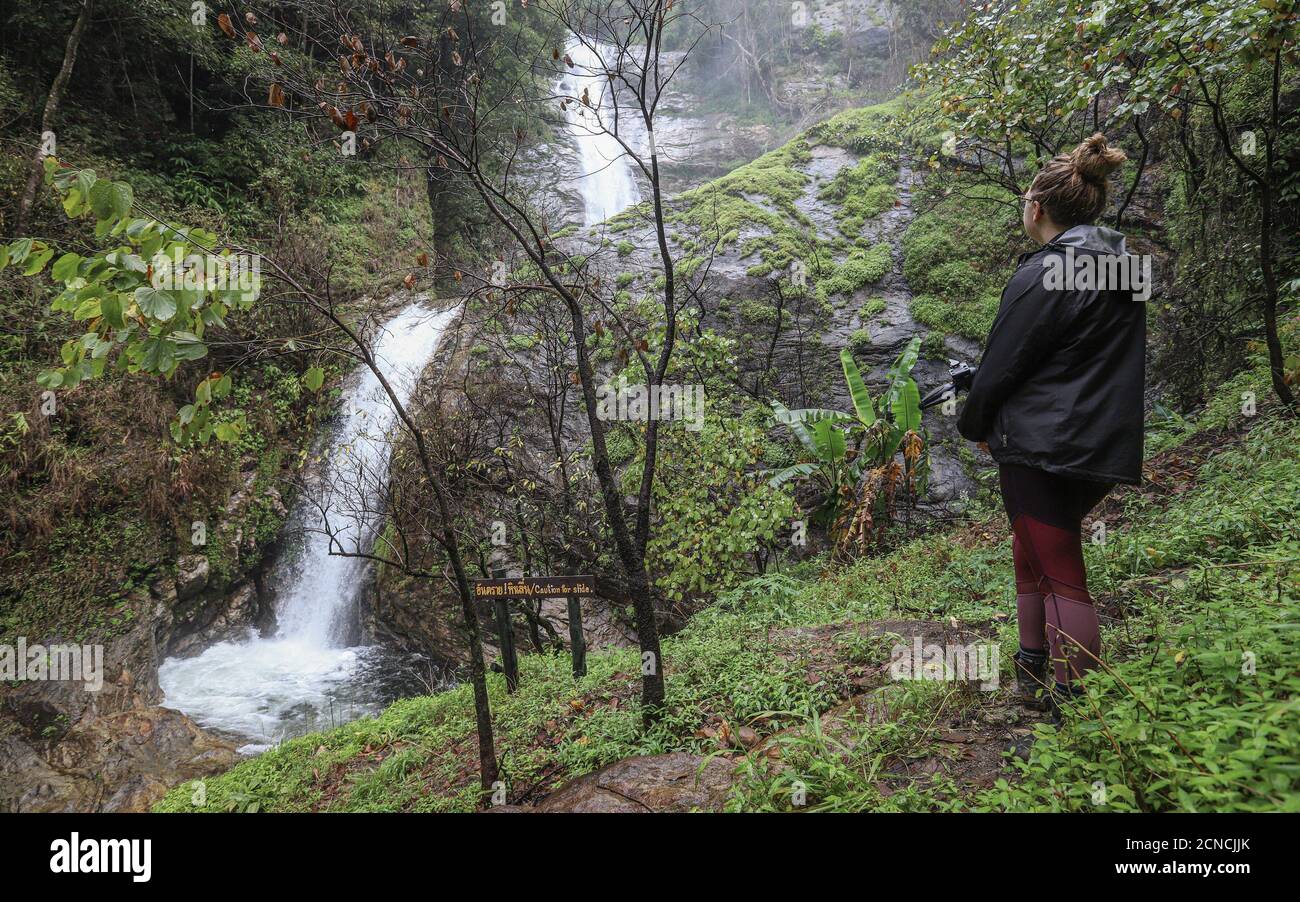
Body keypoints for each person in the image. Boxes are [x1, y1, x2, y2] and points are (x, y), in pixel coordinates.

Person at [957, 134, 1145, 718]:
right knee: (1032, 548)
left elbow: (1002, 365)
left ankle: (1072, 702)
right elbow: (1085, 357)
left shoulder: (1045, 273)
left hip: (1044, 445)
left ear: (1036, 208)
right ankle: (1032, 660)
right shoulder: (1123, 269)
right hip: (1100, 440)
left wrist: (974, 421)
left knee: (1060, 567)